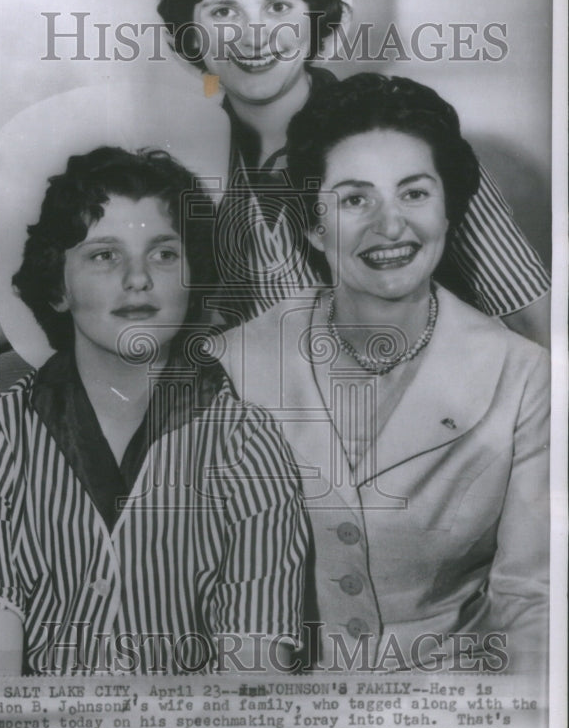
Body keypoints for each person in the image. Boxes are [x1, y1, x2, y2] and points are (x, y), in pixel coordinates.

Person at [0, 0, 550, 389]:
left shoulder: (405, 132)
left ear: (313, 18)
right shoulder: (181, 159)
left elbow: (532, 325)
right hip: (278, 473)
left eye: (277, 6)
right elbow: (57, 272)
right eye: (224, 12)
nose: (254, 36)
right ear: (193, 35)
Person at [223, 73, 550, 673]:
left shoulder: (527, 377)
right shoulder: (234, 365)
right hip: (283, 716)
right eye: (355, 199)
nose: (390, 225)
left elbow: (533, 603)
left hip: (460, 714)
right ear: (315, 227)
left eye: (414, 194)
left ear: (449, 211)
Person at [0, 146, 308, 675]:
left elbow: (253, 689)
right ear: (58, 287)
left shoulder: (247, 444)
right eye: (104, 255)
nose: (138, 279)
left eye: (163, 254)